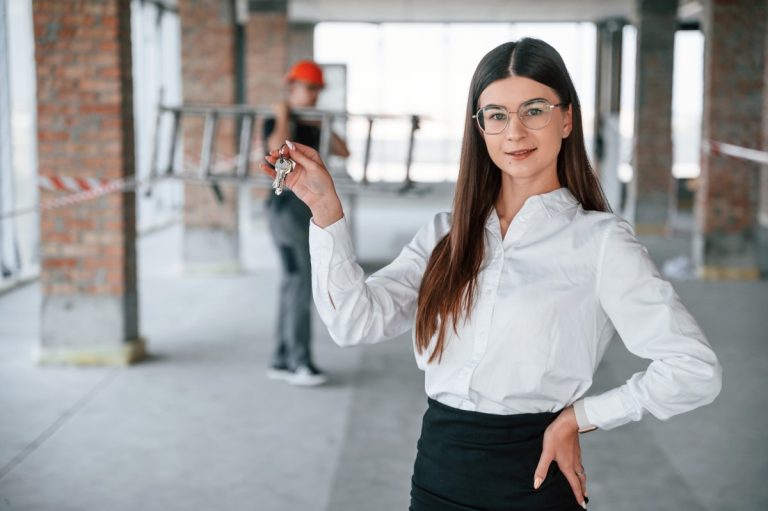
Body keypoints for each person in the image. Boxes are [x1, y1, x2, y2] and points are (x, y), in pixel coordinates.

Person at [259, 39, 723, 510]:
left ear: (567, 119)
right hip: (437, 475)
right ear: (480, 128)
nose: (514, 132)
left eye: (534, 110)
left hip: (534, 479)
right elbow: (354, 322)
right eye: (497, 115)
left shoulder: (600, 242)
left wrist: (581, 417)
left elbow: (694, 370)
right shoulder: (446, 233)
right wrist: (324, 209)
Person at [262, 59, 349, 387]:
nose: (313, 94)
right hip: (284, 209)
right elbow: (276, 150)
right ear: (291, 87)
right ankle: (298, 362)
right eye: (307, 88)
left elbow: (344, 150)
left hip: (303, 210)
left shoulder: (312, 122)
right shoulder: (278, 119)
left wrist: (321, 122)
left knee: (292, 282)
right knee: (299, 282)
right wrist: (285, 115)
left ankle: (282, 359)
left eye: (316, 89)